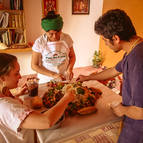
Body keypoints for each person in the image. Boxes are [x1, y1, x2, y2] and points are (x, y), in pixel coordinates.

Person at [77, 9, 143, 143]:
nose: (106, 45)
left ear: (116, 38)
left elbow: (140, 111)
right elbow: (114, 70)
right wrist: (88, 77)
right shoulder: (134, 48)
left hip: (138, 129)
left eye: (105, 41)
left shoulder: (137, 60)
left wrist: (122, 110)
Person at [0, 53, 75, 143]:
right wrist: (66, 98)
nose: (20, 76)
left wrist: (17, 96)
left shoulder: (4, 92)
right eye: (16, 73)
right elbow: (46, 121)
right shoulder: (5, 107)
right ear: (2, 78)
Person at [31, 11, 76, 84]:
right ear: (45, 31)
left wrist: (69, 69)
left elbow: (72, 56)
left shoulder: (67, 38)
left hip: (64, 76)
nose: (55, 36)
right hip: (46, 78)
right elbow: (34, 65)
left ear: (61, 29)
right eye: (51, 34)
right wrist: (54, 75)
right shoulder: (39, 42)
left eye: (57, 32)